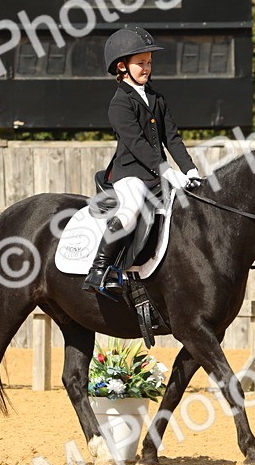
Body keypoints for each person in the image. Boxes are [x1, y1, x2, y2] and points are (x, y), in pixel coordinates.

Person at [83, 25, 202, 295]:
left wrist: (190, 170)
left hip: (158, 174)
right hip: (130, 174)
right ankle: (99, 269)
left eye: (149, 62)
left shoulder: (157, 98)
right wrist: (166, 170)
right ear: (122, 67)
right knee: (131, 208)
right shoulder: (119, 103)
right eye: (140, 63)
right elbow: (137, 143)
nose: (146, 68)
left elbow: (172, 138)